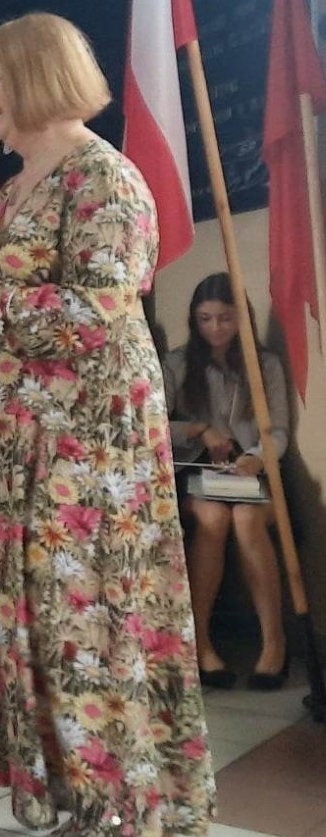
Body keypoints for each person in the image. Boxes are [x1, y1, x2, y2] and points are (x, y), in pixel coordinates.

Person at [0, 11, 215, 837]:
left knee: (98, 628)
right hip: (24, 447)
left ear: (37, 77)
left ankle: (140, 827)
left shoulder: (104, 177)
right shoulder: (15, 190)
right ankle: (91, 808)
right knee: (48, 631)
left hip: (92, 453)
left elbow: (99, 314)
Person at [162, 272, 290, 690]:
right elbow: (154, 423)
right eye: (206, 319)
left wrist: (256, 457)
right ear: (194, 320)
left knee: (247, 521)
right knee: (214, 519)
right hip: (198, 470)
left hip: (251, 470)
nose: (215, 328)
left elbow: (278, 430)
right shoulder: (178, 363)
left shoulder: (264, 364)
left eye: (225, 318)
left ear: (241, 318)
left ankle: (274, 644)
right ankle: (200, 644)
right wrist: (198, 430)